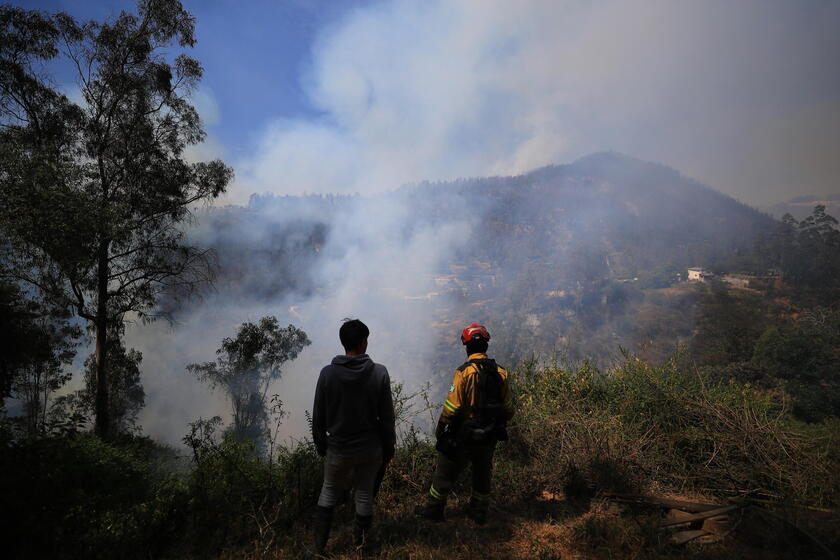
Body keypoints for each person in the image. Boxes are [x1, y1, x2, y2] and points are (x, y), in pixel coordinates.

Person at [415, 323, 514, 525]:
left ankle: (434, 511)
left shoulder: (463, 373)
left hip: (464, 434)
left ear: (467, 347)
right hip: (490, 433)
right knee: (483, 472)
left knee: (444, 471)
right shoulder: (502, 372)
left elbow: (452, 407)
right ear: (486, 345)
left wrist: (441, 428)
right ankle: (479, 512)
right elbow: (508, 408)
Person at [312, 319, 396, 555]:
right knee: (364, 493)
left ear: (343, 343)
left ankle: (319, 548)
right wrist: (389, 448)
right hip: (370, 449)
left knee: (328, 491)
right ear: (362, 343)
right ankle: (360, 546)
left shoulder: (327, 374)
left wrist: (322, 446)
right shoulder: (379, 372)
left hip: (337, 448)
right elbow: (387, 417)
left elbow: (318, 416)